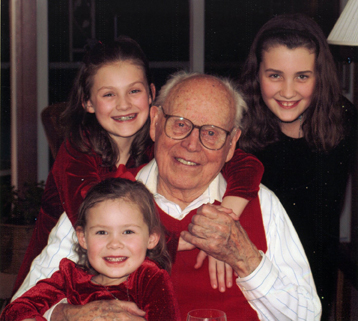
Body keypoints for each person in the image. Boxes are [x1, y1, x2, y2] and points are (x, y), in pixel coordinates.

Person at [14, 71, 321, 320]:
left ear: (231, 145)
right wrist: (68, 315)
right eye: (180, 125)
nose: (192, 144)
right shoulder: (104, 202)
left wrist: (246, 259)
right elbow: (20, 305)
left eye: (211, 133)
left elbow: (308, 315)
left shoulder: (261, 204)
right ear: (156, 123)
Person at [14, 35, 263, 295]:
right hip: (62, 267)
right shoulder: (76, 153)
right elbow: (93, 215)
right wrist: (190, 241)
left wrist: (225, 214)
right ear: (87, 102)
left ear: (152, 95)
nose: (124, 104)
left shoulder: (154, 144)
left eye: (134, 91)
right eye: (109, 94)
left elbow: (246, 163)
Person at [237, 13, 357, 320]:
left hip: (316, 277)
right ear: (257, 74)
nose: (288, 92)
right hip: (252, 275)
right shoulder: (238, 124)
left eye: (302, 76)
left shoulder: (343, 119)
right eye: (275, 75)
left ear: (320, 76)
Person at [1, 178, 181, 321]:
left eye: (128, 231)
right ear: (83, 238)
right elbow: (15, 310)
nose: (114, 243)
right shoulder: (69, 278)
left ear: (151, 238)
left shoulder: (150, 279)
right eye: (102, 232)